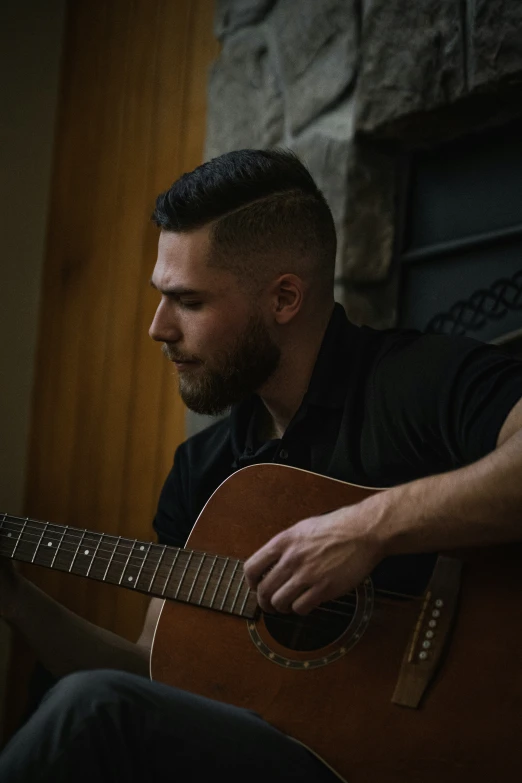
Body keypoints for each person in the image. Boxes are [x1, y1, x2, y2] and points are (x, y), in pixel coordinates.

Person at [0, 148, 521, 782]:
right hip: (301, 758)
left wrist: (368, 528)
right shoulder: (204, 470)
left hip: (452, 751)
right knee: (70, 701)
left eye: (187, 300)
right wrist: (18, 601)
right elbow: (152, 675)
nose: (157, 328)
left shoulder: (416, 383)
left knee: (89, 710)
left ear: (283, 298)